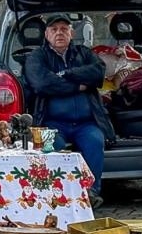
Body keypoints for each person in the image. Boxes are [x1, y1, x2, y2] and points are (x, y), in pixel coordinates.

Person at [23, 15, 111, 193]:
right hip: (50, 123)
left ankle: (91, 193)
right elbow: (41, 84)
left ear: (72, 33)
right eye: (54, 29)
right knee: (50, 148)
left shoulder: (84, 53)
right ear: (46, 34)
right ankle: (57, 194)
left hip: (86, 123)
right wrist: (78, 85)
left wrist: (67, 73)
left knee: (95, 142)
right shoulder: (37, 56)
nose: (59, 33)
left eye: (64, 29)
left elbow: (98, 72)